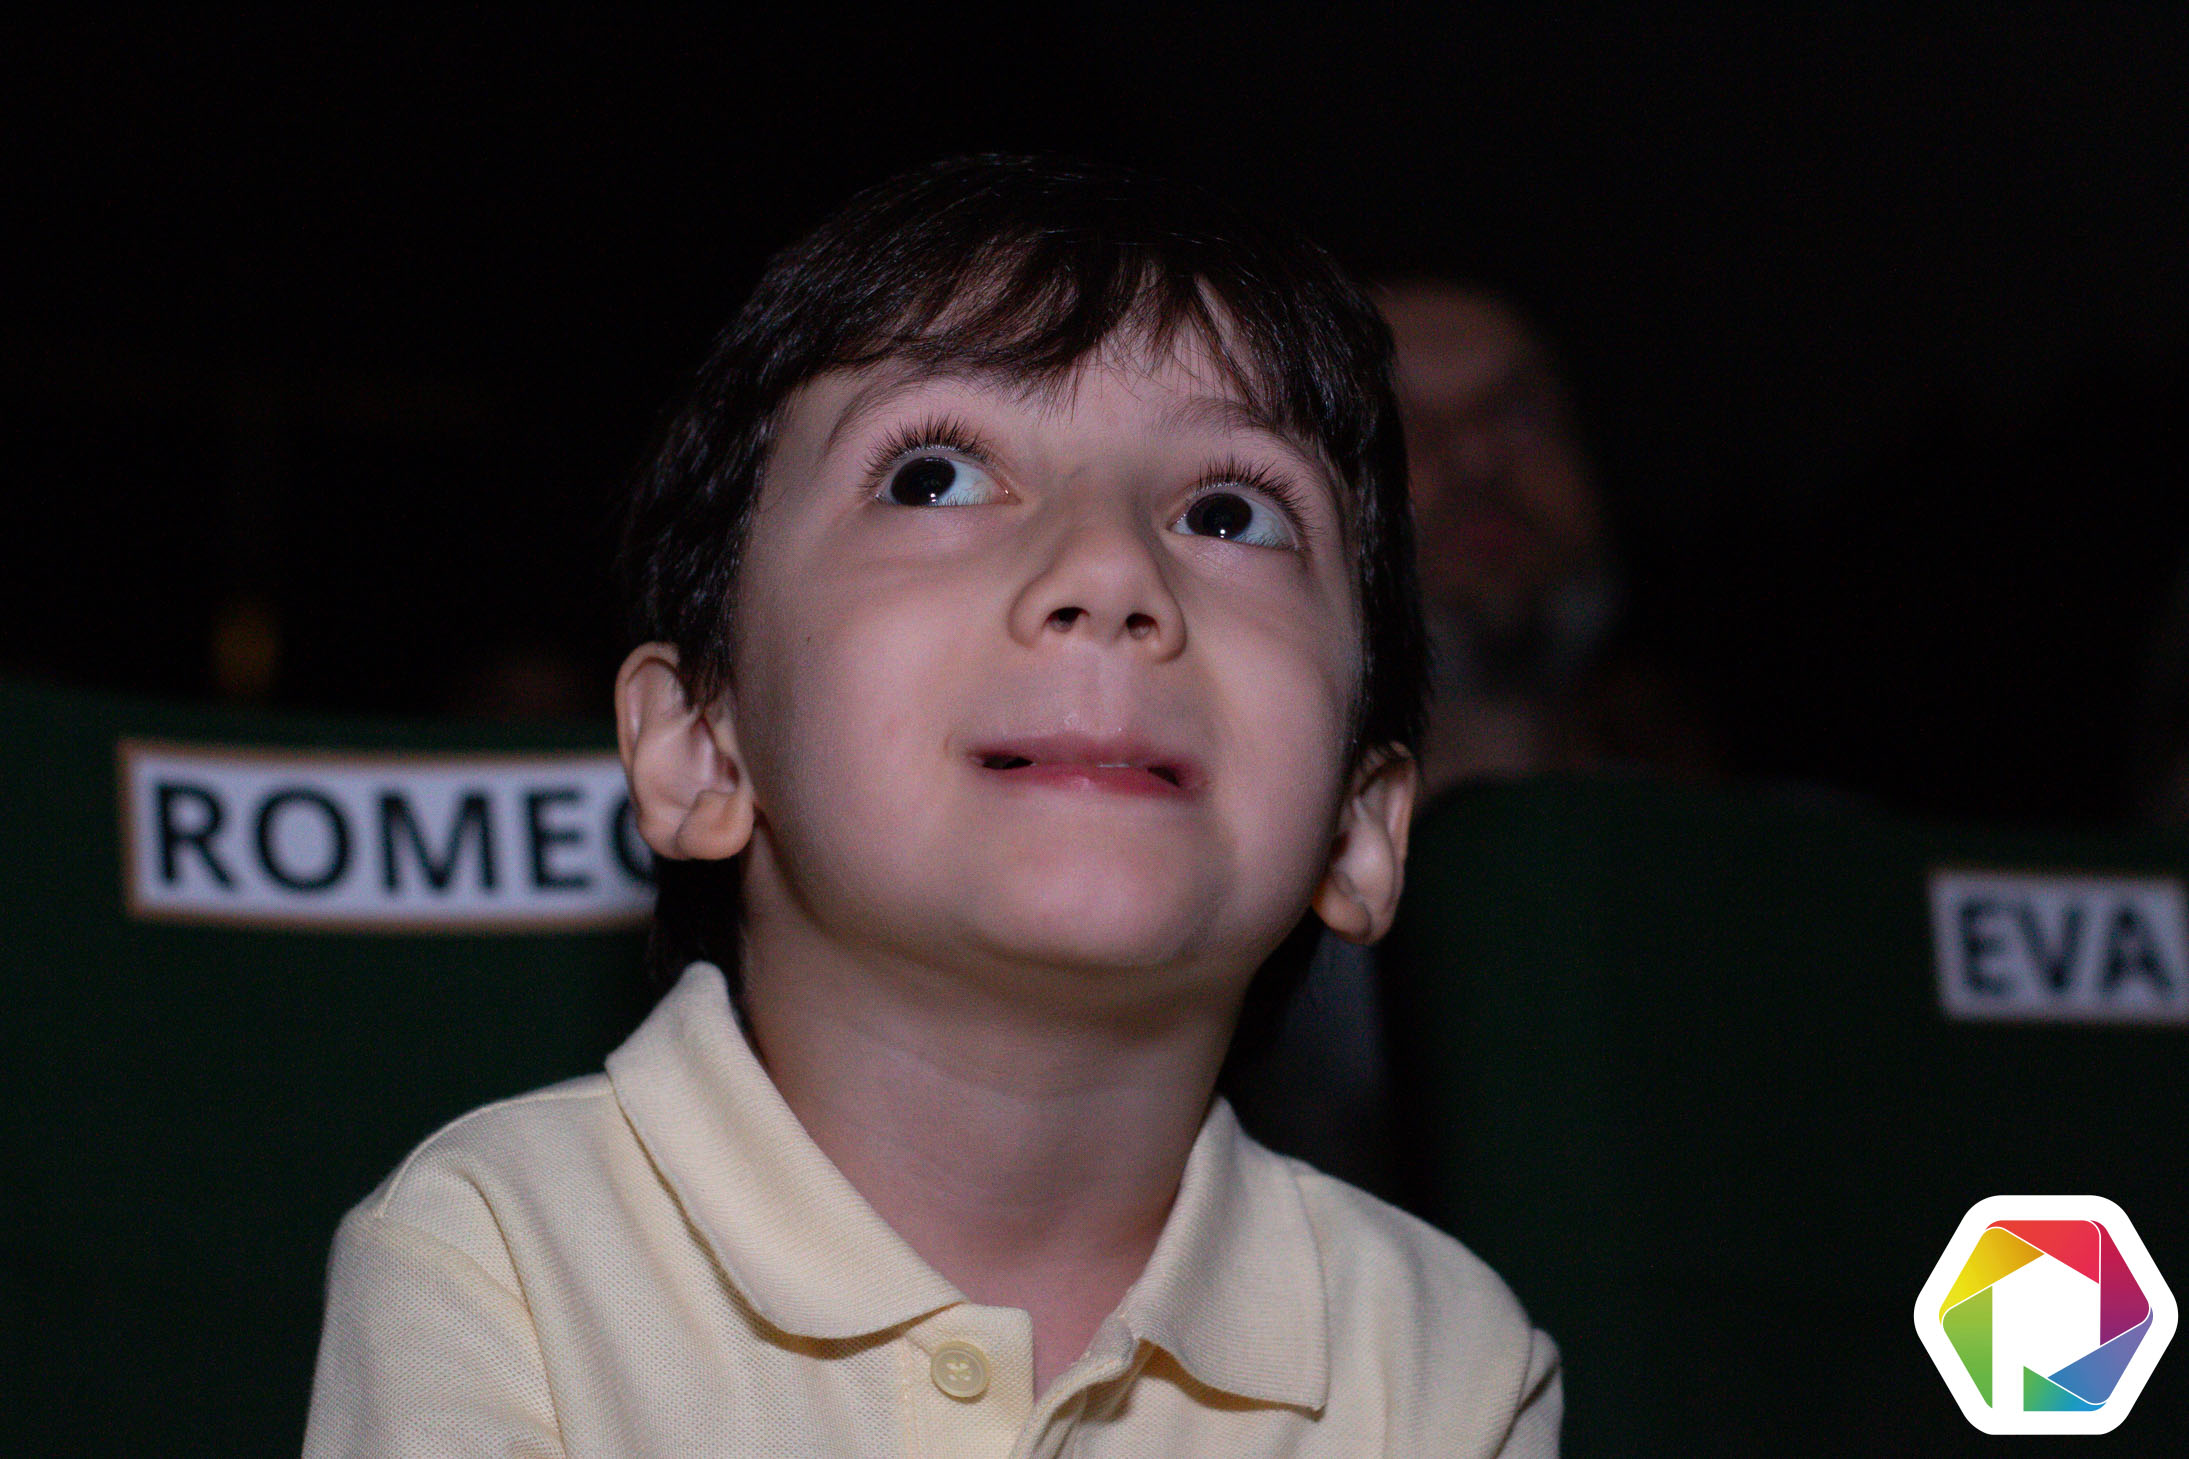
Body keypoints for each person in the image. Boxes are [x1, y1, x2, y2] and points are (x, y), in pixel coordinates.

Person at [303, 156, 1561, 1457]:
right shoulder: (506, 1263)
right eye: (934, 480)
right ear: (700, 750)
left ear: (1360, 827)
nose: (1108, 570)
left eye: (1229, 512)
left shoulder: (1444, 1369)